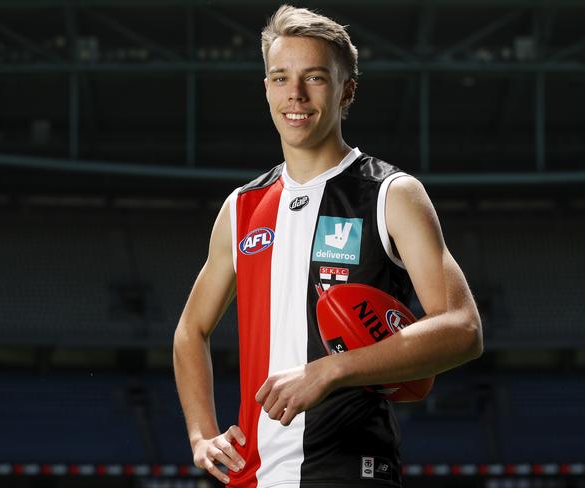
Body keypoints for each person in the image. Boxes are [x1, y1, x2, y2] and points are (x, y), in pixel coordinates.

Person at [173, 5, 483, 487]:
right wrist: (200, 434)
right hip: (251, 473)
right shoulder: (242, 207)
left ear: (347, 91)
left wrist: (331, 370)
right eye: (280, 78)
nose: (294, 94)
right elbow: (190, 330)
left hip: (348, 466)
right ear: (267, 89)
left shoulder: (391, 194)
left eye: (314, 77)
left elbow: (463, 328)